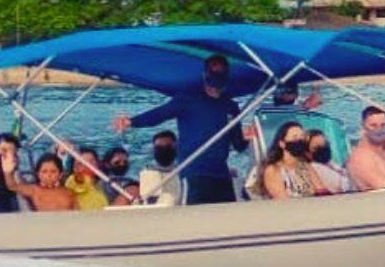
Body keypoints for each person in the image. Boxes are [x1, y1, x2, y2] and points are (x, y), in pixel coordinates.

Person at [112, 55, 249, 205]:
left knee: (226, 218)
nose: (216, 78)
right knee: (194, 217)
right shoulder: (188, 99)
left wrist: (249, 137)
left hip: (221, 174)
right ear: (205, 74)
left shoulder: (230, 107)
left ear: (226, 75)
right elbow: (160, 114)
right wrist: (132, 121)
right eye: (213, 71)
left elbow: (239, 145)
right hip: (194, 172)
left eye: (221, 72)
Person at [249, 122, 328, 199]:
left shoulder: (306, 167)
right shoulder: (273, 170)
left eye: (302, 137)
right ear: (282, 144)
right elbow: (282, 201)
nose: (300, 140)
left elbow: (322, 191)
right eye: (295, 137)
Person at [0, 151, 79, 212]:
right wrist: (8, 172)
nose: (49, 175)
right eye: (44, 171)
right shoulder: (34, 190)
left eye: (53, 171)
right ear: (38, 174)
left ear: (60, 174)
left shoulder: (69, 192)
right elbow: (12, 186)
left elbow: (77, 214)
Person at [138, 130, 181, 207]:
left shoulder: (185, 169)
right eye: (159, 148)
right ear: (154, 150)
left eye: (168, 147)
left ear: (175, 148)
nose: (164, 151)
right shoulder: (147, 172)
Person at [64, 145, 112, 211]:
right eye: (81, 163)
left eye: (91, 161)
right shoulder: (73, 181)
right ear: (74, 168)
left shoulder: (100, 185)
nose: (88, 166)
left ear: (97, 164)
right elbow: (77, 181)